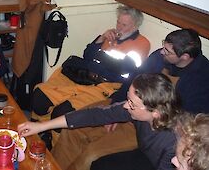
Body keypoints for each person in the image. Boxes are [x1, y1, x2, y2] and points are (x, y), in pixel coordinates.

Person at [49, 28, 209, 170]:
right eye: (163, 46)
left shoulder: (202, 78)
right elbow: (133, 79)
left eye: (167, 51)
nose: (161, 52)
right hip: (127, 105)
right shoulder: (159, 57)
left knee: (91, 155)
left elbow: (186, 122)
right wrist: (116, 109)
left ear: (185, 57)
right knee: (72, 131)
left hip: (153, 125)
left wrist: (130, 113)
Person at [19, 73, 181, 170]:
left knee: (97, 160)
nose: (125, 106)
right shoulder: (141, 113)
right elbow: (93, 115)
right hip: (146, 156)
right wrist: (40, 126)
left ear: (156, 113)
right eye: (127, 99)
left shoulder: (174, 145)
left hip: (151, 164)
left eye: (132, 104)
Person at [32, 5, 150, 121]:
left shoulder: (141, 43)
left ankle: (51, 137)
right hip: (85, 76)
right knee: (39, 98)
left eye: (124, 25)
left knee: (62, 112)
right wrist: (102, 38)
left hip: (107, 85)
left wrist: (99, 59)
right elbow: (87, 54)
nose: (118, 27)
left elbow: (124, 68)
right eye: (118, 22)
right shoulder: (111, 35)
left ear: (134, 26)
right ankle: (39, 127)